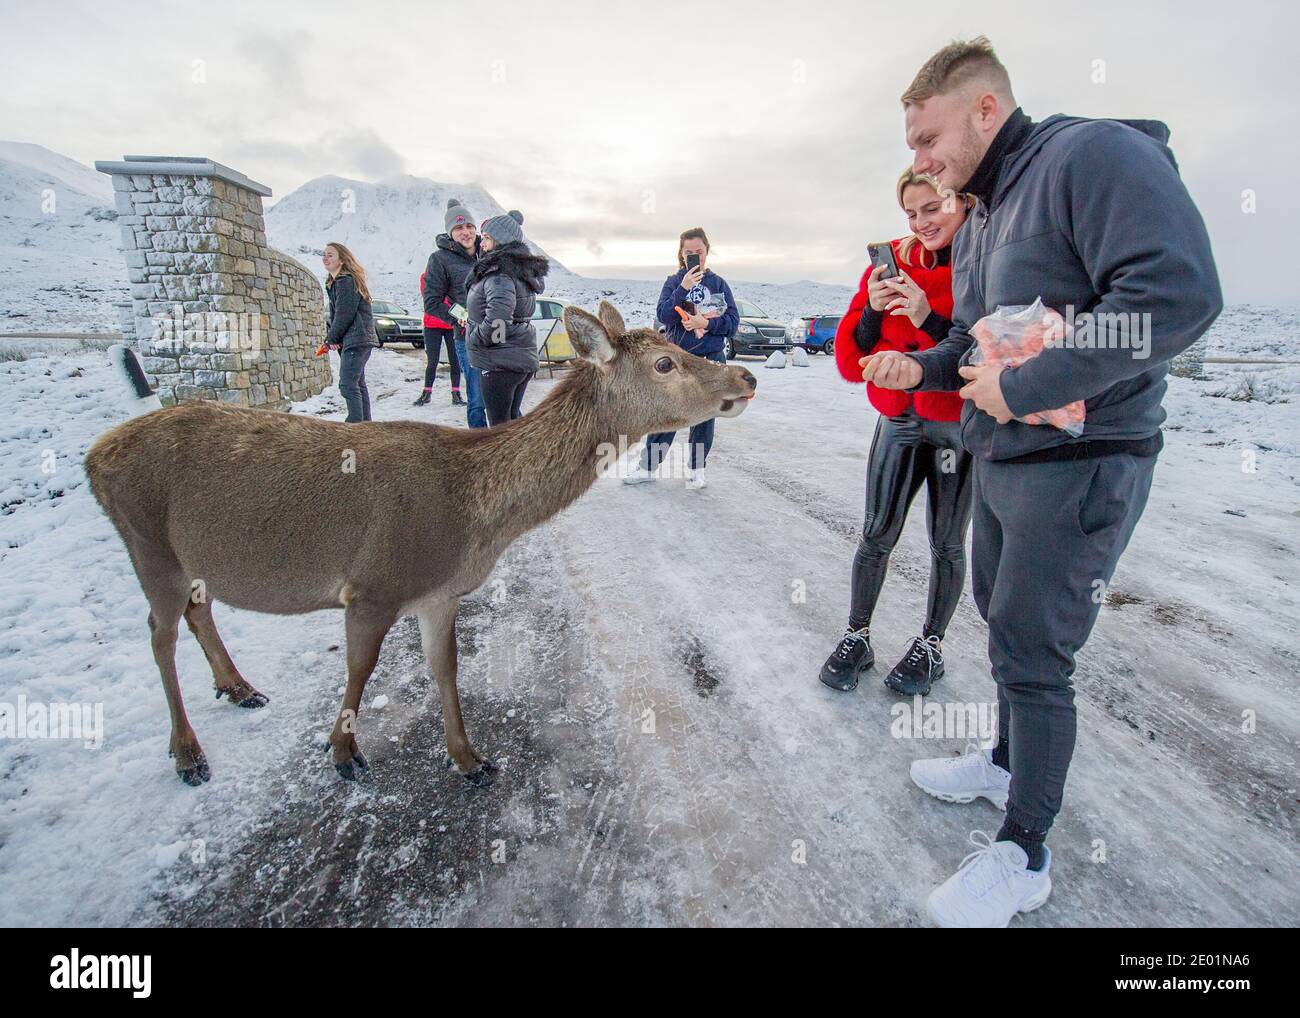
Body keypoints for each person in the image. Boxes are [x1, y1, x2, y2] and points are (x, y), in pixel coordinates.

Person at [862, 37, 1222, 927]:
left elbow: (1176, 296)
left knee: (1036, 656)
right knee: (1002, 624)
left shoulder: (1091, 155)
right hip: (1009, 464)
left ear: (985, 108)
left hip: (1084, 466)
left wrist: (1023, 388)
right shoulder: (984, 211)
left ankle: (1025, 852)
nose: (919, 159)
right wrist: (926, 368)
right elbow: (980, 338)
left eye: (924, 137)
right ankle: (1002, 764)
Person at [820, 169, 974, 697]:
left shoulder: (984, 262)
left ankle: (932, 645)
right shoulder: (893, 264)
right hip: (900, 421)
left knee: (947, 543)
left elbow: (981, 350)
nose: (921, 222)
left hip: (957, 427)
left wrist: (928, 318)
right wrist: (874, 314)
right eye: (911, 213)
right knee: (876, 533)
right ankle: (857, 635)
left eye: (932, 208)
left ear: (961, 201)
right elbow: (850, 354)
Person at [624, 227, 739, 490]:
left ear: (707, 251)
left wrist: (705, 323)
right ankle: (647, 468)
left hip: (710, 361)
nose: (695, 256)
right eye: (689, 253)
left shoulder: (719, 284)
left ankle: (697, 469)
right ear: (681, 253)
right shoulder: (673, 281)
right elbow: (664, 315)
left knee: (704, 418)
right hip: (678, 362)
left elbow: (732, 323)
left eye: (699, 251)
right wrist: (683, 287)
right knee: (667, 415)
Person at [465, 210, 548, 426]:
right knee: (512, 425)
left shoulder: (500, 274)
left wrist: (477, 338)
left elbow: (499, 319)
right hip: (516, 358)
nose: (481, 243)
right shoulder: (517, 271)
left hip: (500, 362)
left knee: (500, 429)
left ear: (500, 240)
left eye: (486, 238)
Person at [417, 198, 482, 424]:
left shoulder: (488, 252)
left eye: (468, 226)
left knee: (499, 397)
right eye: (458, 228)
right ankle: (479, 448)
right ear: (450, 232)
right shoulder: (439, 259)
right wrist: (460, 316)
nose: (465, 232)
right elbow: (432, 301)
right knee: (477, 398)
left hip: (496, 336)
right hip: (467, 338)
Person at [322, 242, 378, 423]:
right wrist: (335, 339)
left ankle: (354, 427)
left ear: (342, 260)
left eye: (331, 255)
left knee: (347, 384)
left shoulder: (344, 281)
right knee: (357, 384)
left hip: (357, 339)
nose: (325, 258)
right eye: (324, 254)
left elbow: (344, 314)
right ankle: (365, 427)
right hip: (357, 339)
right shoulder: (338, 282)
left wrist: (331, 339)